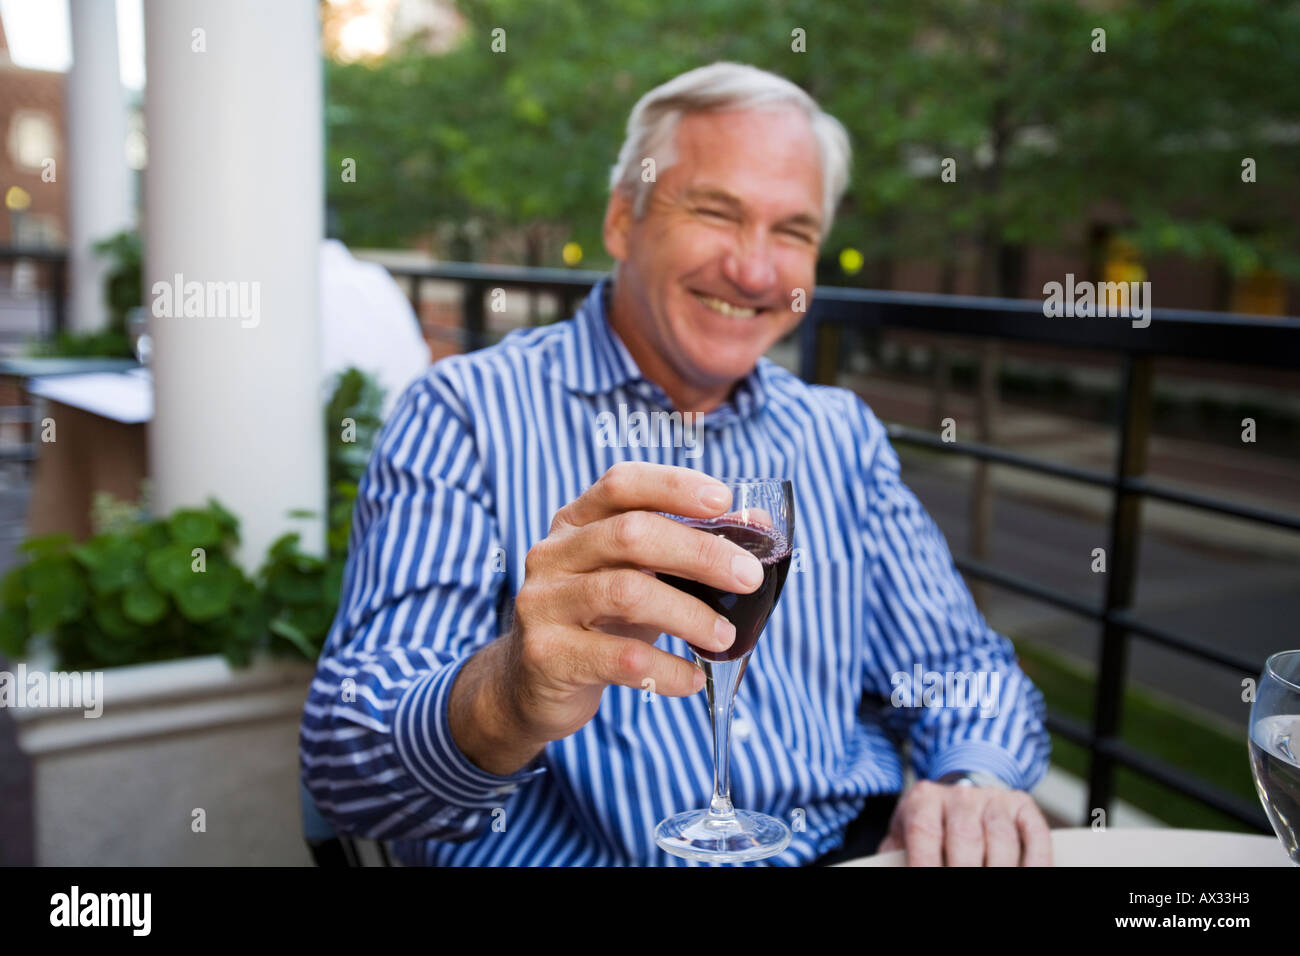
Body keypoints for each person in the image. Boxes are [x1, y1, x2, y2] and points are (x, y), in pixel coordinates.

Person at [299, 61, 1052, 866]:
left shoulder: (840, 432)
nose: (755, 271)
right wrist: (511, 695)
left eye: (792, 232)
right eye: (716, 212)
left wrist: (972, 779)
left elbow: (958, 669)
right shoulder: (464, 413)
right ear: (623, 220)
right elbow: (348, 767)